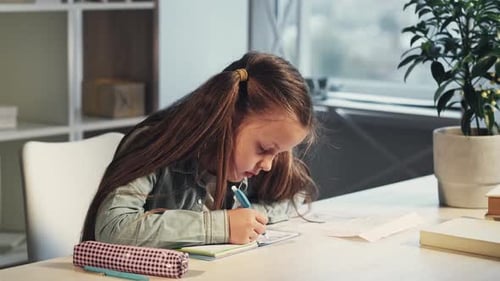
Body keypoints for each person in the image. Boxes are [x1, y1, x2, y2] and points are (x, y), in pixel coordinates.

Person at [81, 51, 318, 248]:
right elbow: (113, 228)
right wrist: (221, 225)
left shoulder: (262, 161)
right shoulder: (155, 143)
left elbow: (294, 194)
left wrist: (248, 219)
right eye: (264, 149)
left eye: (277, 153)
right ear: (228, 118)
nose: (267, 165)